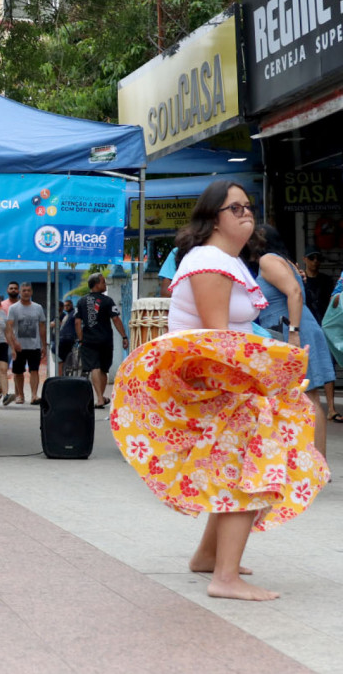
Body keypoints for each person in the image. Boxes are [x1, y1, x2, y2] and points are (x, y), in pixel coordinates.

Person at [114, 180, 328, 601]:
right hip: (217, 385)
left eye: (248, 207)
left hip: (223, 384)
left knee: (233, 469)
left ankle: (208, 558)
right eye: (235, 208)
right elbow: (217, 341)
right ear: (214, 217)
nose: (246, 213)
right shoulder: (210, 261)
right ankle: (225, 579)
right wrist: (268, 371)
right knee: (250, 472)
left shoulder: (220, 259)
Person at [250, 225, 336, 457]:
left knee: (309, 397)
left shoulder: (268, 260)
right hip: (295, 327)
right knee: (306, 397)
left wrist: (294, 332)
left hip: (293, 330)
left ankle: (316, 465)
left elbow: (295, 293)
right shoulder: (283, 261)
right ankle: (313, 464)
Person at [75, 273, 127, 408]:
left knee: (95, 368)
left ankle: (99, 397)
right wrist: (124, 336)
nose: (105, 285)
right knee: (103, 369)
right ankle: (100, 398)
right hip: (105, 340)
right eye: (103, 282)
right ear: (97, 284)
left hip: (88, 340)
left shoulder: (81, 301)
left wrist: (80, 339)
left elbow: (77, 322)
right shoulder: (108, 301)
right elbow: (116, 319)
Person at [6, 284, 48, 405]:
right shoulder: (14, 308)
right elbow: (9, 327)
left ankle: (34, 395)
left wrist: (43, 345)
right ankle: (20, 395)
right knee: (18, 372)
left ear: (32, 292)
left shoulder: (38, 308)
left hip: (34, 346)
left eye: (28, 290)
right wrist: (14, 343)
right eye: (24, 290)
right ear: (20, 292)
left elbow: (42, 327)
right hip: (19, 346)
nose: (26, 292)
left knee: (34, 370)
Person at [303, 250, 333, 324]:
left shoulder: (327, 280)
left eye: (318, 258)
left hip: (325, 320)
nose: (315, 261)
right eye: (311, 258)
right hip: (306, 320)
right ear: (304, 259)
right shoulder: (300, 279)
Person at [56, 299, 77, 375]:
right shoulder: (68, 315)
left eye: (68, 305)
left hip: (67, 339)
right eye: (65, 305)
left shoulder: (73, 314)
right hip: (64, 338)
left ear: (72, 305)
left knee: (61, 360)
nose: (66, 307)